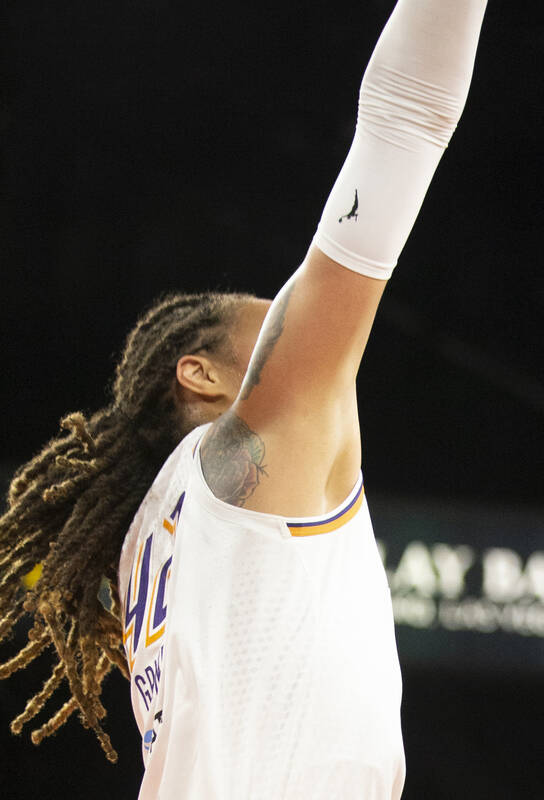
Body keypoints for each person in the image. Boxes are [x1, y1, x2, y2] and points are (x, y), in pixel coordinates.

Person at [0, 1, 487, 796]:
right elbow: (402, 121)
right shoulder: (243, 455)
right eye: (274, 328)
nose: (311, 351)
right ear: (200, 376)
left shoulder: (147, 543)